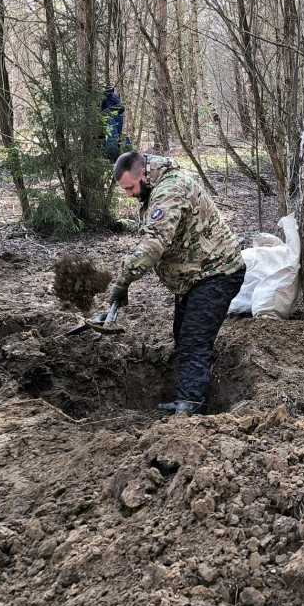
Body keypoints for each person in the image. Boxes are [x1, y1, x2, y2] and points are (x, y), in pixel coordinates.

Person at [108, 151, 245, 416]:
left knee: (194, 340)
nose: (128, 195)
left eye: (130, 188)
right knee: (183, 335)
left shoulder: (170, 190)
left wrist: (123, 281)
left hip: (217, 272)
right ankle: (191, 394)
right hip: (194, 276)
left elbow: (153, 245)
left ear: (144, 175)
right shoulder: (157, 187)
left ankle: (192, 406)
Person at [100, 85, 129, 162]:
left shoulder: (112, 97)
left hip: (114, 118)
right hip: (112, 118)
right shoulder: (107, 98)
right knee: (113, 135)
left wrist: (110, 110)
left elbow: (121, 107)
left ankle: (113, 155)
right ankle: (112, 155)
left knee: (114, 135)